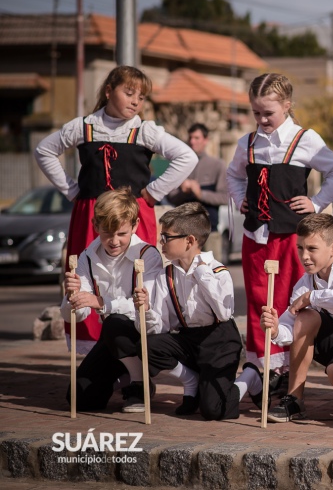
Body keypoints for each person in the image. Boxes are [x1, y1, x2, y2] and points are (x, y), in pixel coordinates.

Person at [36, 66, 197, 352]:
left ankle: (135, 356)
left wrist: (152, 192)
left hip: (133, 217)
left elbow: (186, 157)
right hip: (92, 216)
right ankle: (91, 353)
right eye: (129, 92)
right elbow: (44, 150)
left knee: (137, 277)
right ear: (109, 91)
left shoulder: (144, 130)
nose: (136, 101)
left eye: (142, 96)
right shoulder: (83, 126)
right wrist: (72, 190)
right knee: (85, 275)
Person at [226, 73, 333, 388]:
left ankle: (285, 372)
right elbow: (234, 175)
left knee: (288, 301)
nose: (262, 119)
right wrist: (240, 199)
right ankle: (259, 366)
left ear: (288, 106)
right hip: (256, 235)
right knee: (257, 300)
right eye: (257, 113)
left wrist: (317, 202)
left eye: (269, 113)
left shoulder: (304, 139)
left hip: (292, 238)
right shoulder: (247, 142)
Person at [259, 214, 333, 422]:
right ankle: (294, 399)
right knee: (305, 317)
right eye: (300, 248)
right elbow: (289, 324)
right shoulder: (306, 281)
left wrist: (313, 297)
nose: (304, 256)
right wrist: (276, 329)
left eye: (312, 249)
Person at [133, 202, 242, 420]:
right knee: (148, 346)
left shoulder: (217, 271)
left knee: (213, 410)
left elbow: (223, 313)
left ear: (189, 241)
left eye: (166, 237)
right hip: (190, 340)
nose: (161, 242)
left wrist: (201, 273)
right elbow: (162, 326)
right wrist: (145, 309)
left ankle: (249, 378)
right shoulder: (167, 274)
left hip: (219, 341)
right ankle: (191, 380)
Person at [61, 188, 163, 412]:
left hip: (145, 336)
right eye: (107, 232)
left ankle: (140, 384)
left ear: (135, 226)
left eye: (122, 233)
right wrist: (72, 297)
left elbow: (151, 307)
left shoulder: (147, 254)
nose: (114, 241)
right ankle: (124, 376)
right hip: (111, 338)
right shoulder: (87, 256)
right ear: (95, 226)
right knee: (80, 400)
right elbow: (78, 314)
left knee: (114, 321)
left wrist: (101, 302)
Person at [166, 123, 228, 233]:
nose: (192, 141)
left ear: (205, 140)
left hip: (209, 230)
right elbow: (170, 197)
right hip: (183, 231)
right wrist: (183, 192)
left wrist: (200, 193)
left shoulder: (217, 165)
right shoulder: (179, 165)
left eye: (196, 138)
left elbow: (225, 198)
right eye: (190, 138)